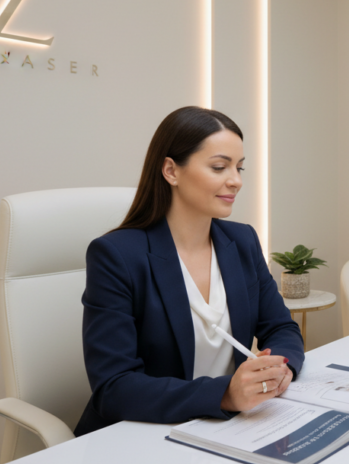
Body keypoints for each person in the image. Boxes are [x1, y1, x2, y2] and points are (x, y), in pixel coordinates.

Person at [74, 106, 304, 436]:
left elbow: (281, 327)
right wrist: (225, 394)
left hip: (227, 429)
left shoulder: (242, 241)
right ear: (171, 170)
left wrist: (280, 368)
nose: (236, 181)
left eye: (239, 168)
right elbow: (114, 387)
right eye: (219, 167)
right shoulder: (116, 255)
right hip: (143, 436)